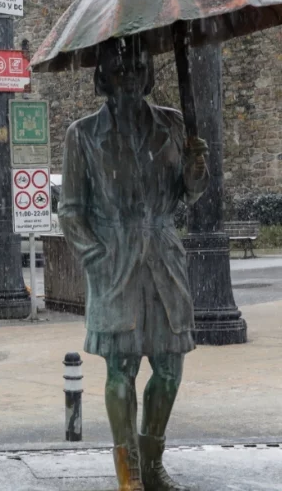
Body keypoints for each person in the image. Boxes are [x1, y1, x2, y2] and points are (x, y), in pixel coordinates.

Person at [58, 36, 208, 491]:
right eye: (120, 69)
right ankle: (129, 472)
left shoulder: (174, 125)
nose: (130, 76)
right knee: (120, 366)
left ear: (149, 74)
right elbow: (70, 210)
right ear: (103, 76)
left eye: (139, 67)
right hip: (115, 258)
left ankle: (152, 460)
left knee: (169, 368)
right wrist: (96, 257)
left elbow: (191, 193)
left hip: (162, 256)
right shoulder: (82, 135)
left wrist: (197, 166)